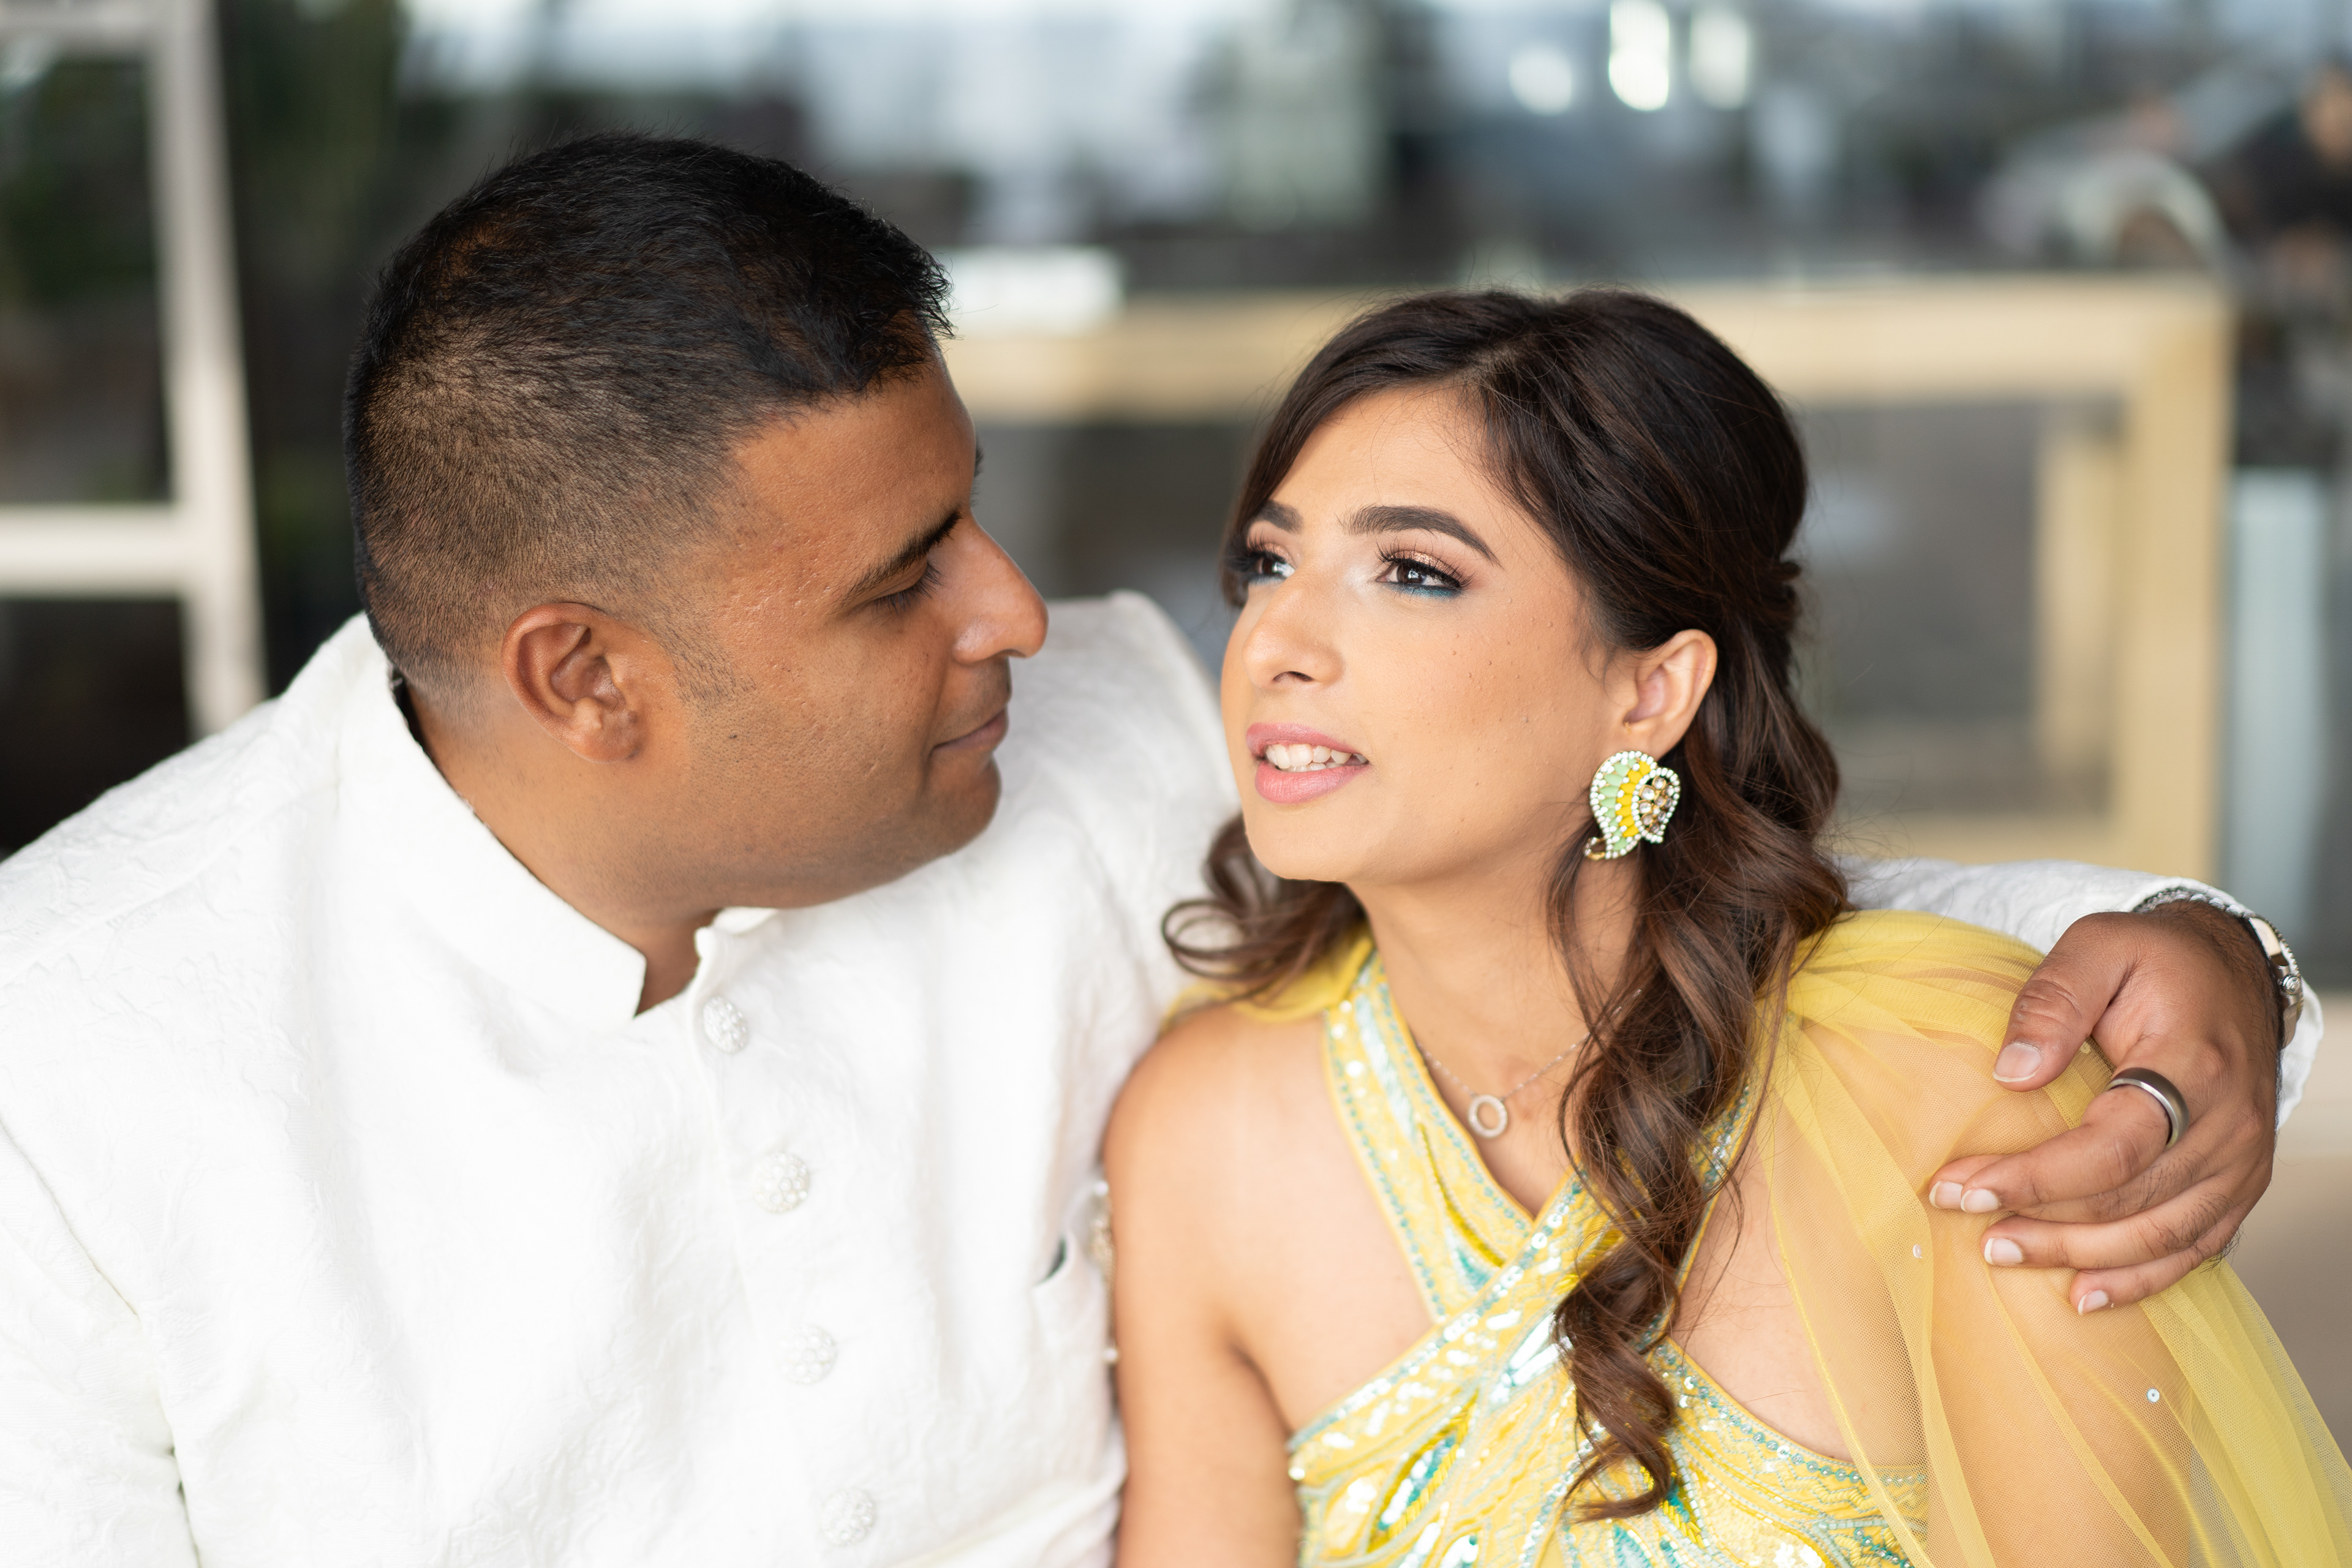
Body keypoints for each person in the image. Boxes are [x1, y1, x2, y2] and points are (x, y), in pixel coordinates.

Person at [0, 137, 2319, 1566]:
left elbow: (1676, 901)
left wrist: (2201, 951)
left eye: (971, 516)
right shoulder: (77, 1069)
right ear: (585, 679)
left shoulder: (1088, 743)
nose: (1025, 610)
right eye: (904, 578)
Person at [1106, 289, 2351, 1565]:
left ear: (1652, 691)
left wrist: (2217, 948)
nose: (1275, 642)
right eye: (1268, 564)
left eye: (1414, 573)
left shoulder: (1960, 1103)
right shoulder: (1205, 1133)